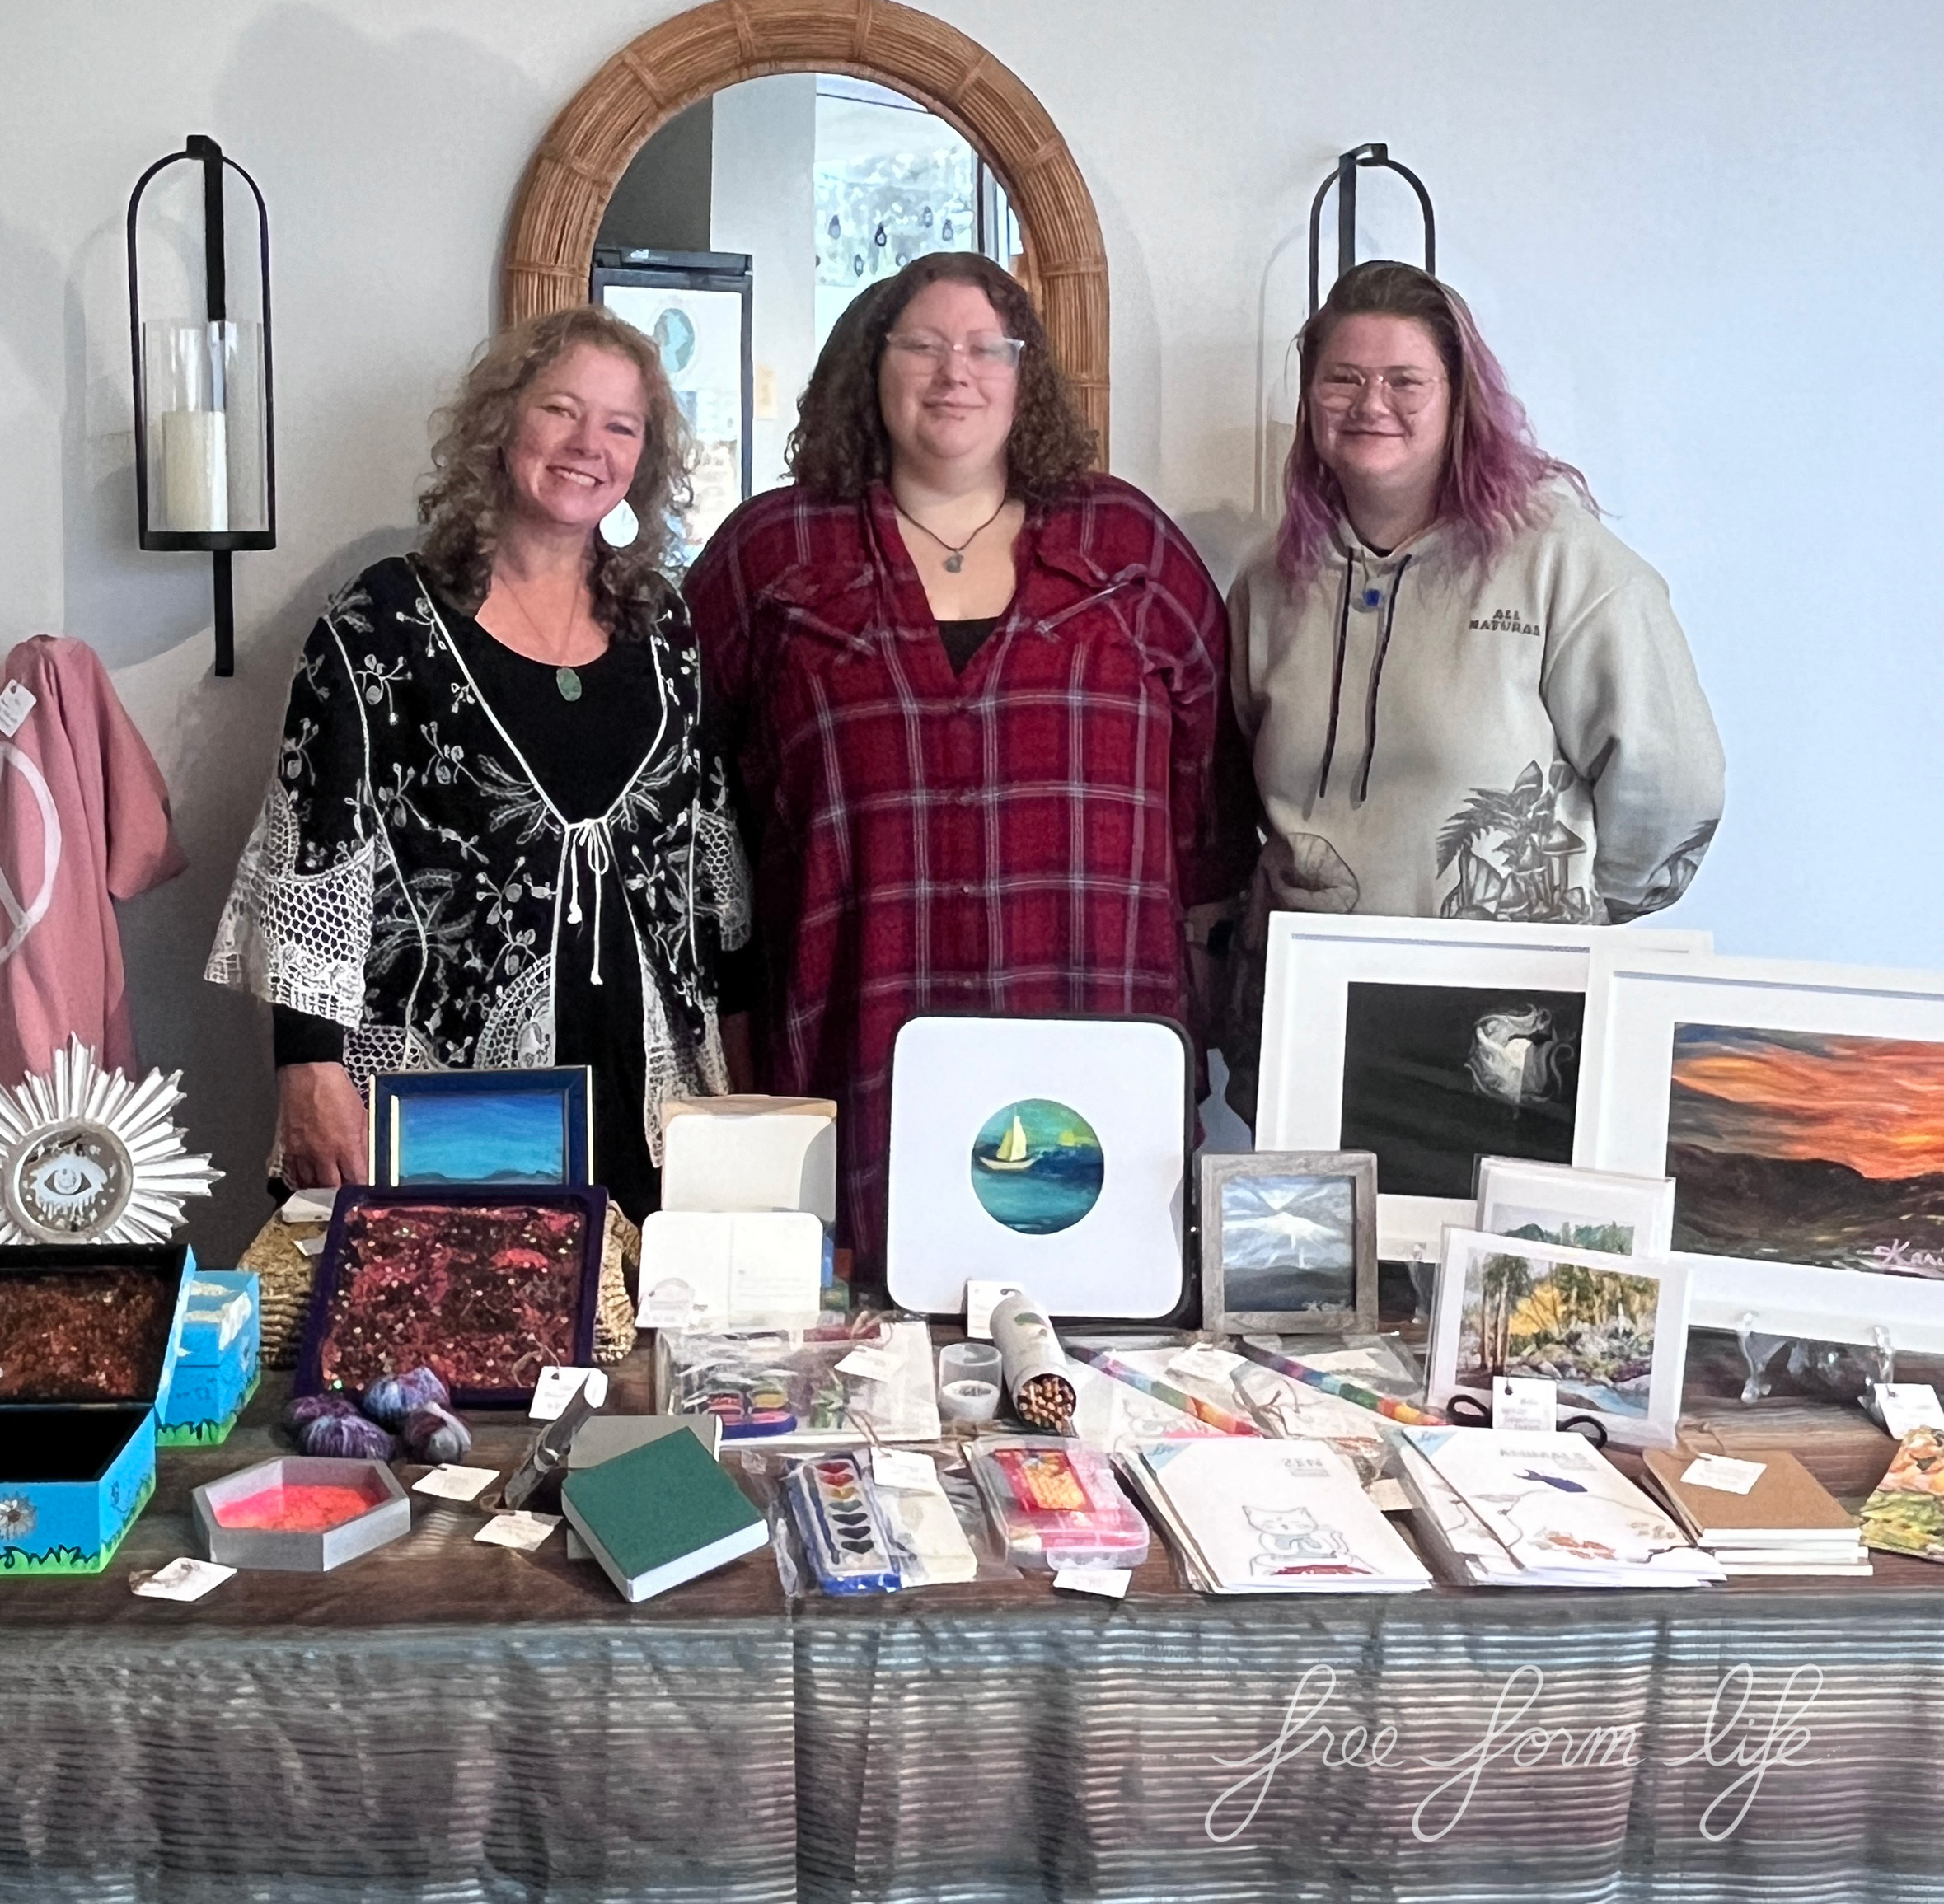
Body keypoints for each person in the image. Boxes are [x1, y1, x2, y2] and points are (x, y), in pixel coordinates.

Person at [686, 250, 1253, 1274]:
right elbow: (689, 790)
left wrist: (1216, 990)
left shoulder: (1127, 543)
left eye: (988, 347)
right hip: (853, 1021)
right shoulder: (771, 553)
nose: (957, 371)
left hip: (1094, 1014)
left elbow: (1209, 797)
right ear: (872, 364)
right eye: (925, 345)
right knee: (855, 1349)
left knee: (1098, 1317)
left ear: (1025, 375)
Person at [208, 305, 751, 1214]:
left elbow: (711, 867)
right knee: (450, 1343)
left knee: (635, 1345)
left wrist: (744, 1071)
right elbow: (314, 855)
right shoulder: (385, 622)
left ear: (643, 460)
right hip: (441, 1110)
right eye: (561, 410)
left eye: (622, 425)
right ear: (503, 424)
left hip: (648, 1101)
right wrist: (307, 1063)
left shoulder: (667, 629)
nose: (588, 444)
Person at [1222, 259, 1724, 1089]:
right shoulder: (1272, 584)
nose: (1370, 403)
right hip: (1310, 1019)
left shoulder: (1559, 564)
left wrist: (1567, 912)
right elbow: (1239, 782)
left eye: (1404, 380)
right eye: (1341, 378)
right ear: (1310, 400)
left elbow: (1677, 783)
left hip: (1504, 1033)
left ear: (1459, 400)